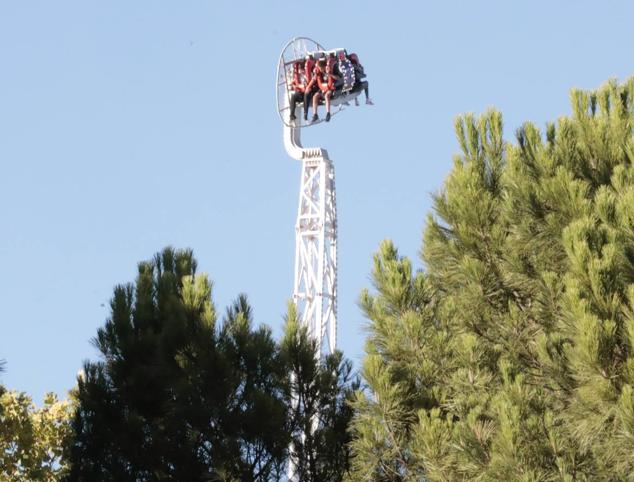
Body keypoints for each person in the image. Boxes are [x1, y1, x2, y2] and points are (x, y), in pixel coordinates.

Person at [312, 57, 339, 122]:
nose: (320, 70)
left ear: (324, 67)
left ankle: (328, 113)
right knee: (315, 96)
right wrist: (314, 76)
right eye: (319, 68)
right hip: (323, 88)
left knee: (327, 96)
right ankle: (315, 114)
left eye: (321, 68)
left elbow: (338, 78)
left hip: (330, 88)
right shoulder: (319, 73)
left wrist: (330, 75)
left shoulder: (330, 70)